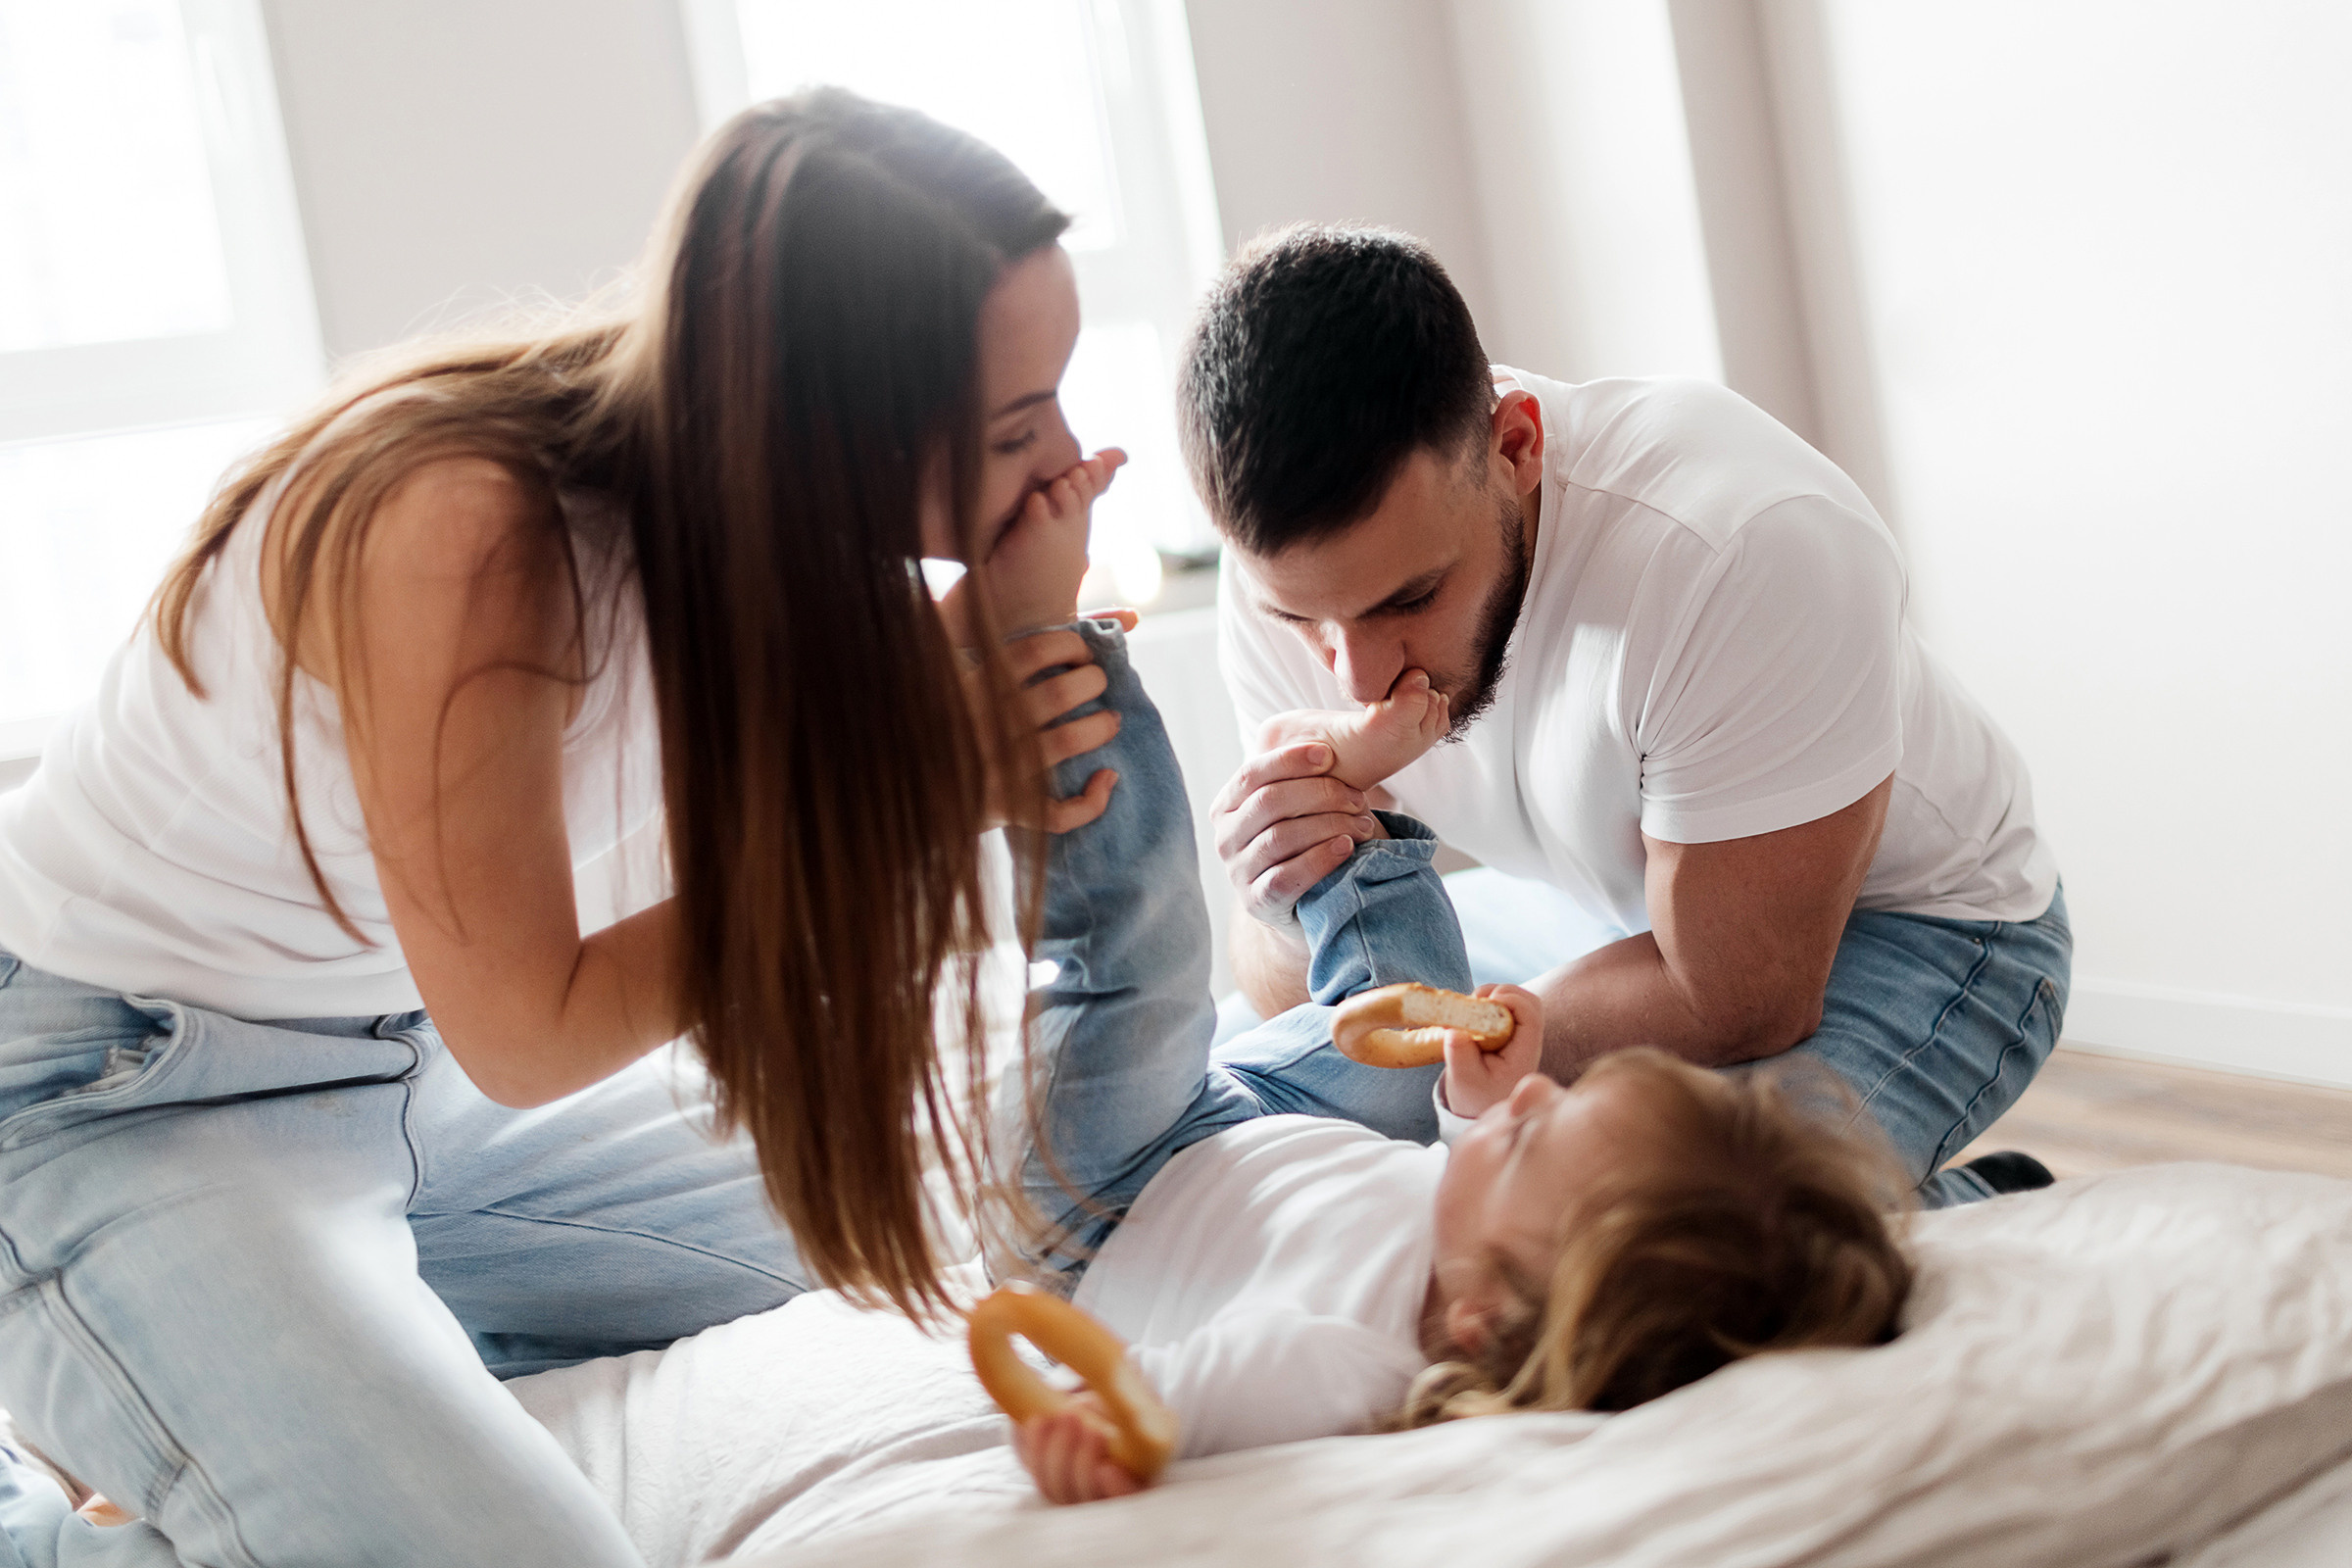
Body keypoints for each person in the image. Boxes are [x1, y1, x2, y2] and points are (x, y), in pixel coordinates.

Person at [0, 90, 1129, 1567]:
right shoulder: (463, 530)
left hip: (396, 1061)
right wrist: (929, 771)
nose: (1066, 449)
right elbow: (532, 1031)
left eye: (1057, 393)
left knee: (934, 1216)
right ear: (825, 419)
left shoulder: (754, 520)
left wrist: (1003, 615)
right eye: (1012, 423)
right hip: (115, 1092)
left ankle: (258, 1362)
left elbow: (881, 755)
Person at [1183, 223, 2071, 1207]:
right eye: (1303, 619)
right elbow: (1308, 1002)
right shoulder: (1286, 572)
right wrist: (1277, 893)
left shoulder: (1738, 545)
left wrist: (1455, 1075)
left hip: (1922, 927)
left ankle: (1974, 1211)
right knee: (1215, 1129)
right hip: (1598, 909)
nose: (1354, 674)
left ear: (1516, 445)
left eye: (1409, 599)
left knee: (1639, 1252)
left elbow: (1739, 997)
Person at [978, 605, 1911, 1506]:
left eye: (1523, 1142)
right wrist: (1474, 1121)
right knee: (1420, 1036)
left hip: (1102, 1206)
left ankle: (1058, 667)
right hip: (1255, 1131)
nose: (1538, 1099)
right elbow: (1454, 1200)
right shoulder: (1487, 1263)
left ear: (1478, 1320)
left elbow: (1166, 1393)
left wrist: (1086, 1431)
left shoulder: (1335, 1363)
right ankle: (1336, 815)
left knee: (1146, 969)